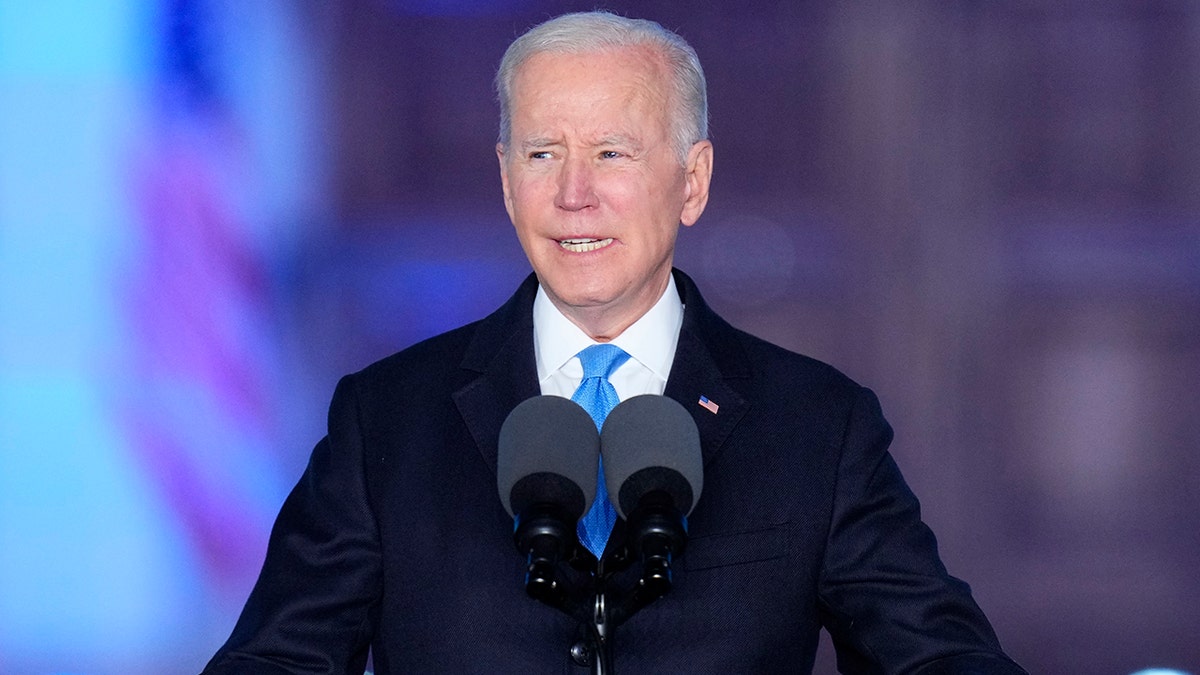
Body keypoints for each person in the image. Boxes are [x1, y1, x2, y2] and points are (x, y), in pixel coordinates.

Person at [203, 11, 1026, 674]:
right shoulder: (384, 418)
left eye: (610, 153)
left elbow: (939, 657)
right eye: (542, 153)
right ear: (505, 180)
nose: (573, 193)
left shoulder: (818, 423)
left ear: (692, 181)